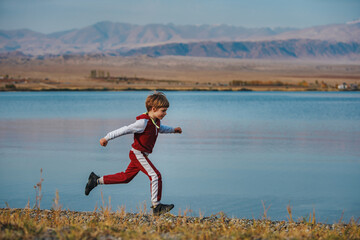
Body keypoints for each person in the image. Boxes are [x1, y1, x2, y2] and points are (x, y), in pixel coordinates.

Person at [85, 92, 182, 216]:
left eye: (166, 111)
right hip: (138, 154)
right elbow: (124, 130)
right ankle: (157, 206)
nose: (165, 113)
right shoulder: (143, 122)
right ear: (153, 109)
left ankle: (96, 180)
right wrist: (106, 138)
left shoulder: (155, 121)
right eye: (163, 110)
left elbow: (160, 129)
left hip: (142, 155)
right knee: (155, 175)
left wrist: (173, 130)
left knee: (126, 177)